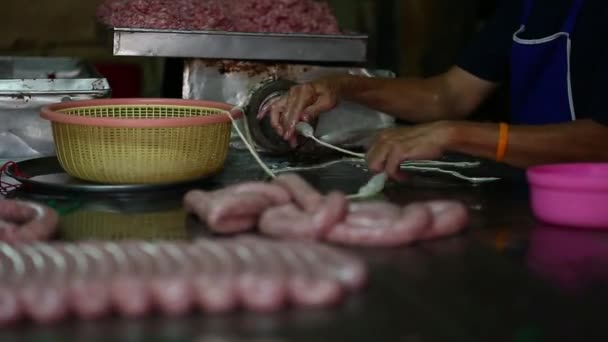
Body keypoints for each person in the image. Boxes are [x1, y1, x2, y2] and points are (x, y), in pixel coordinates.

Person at [262, 0, 608, 181]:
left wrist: (458, 135)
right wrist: (342, 85)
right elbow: (449, 94)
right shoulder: (528, 6)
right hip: (544, 195)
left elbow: (600, 140)